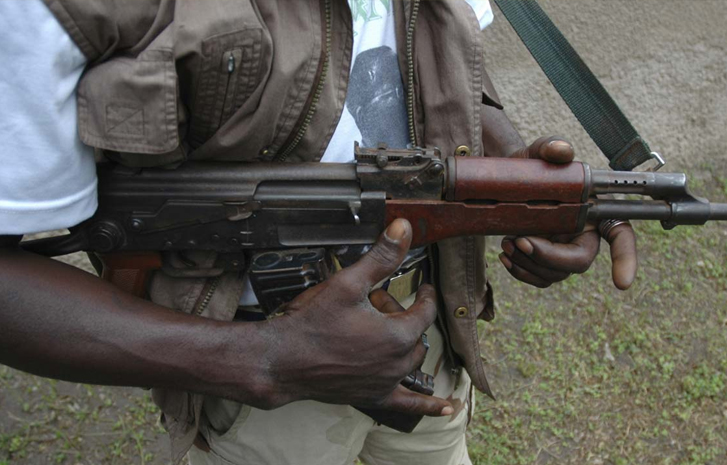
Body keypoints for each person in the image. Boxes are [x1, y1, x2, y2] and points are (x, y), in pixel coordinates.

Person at [0, 1, 638, 464]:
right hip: (253, 393)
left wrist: (521, 182)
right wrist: (266, 360)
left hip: (424, 331)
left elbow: (439, 61)